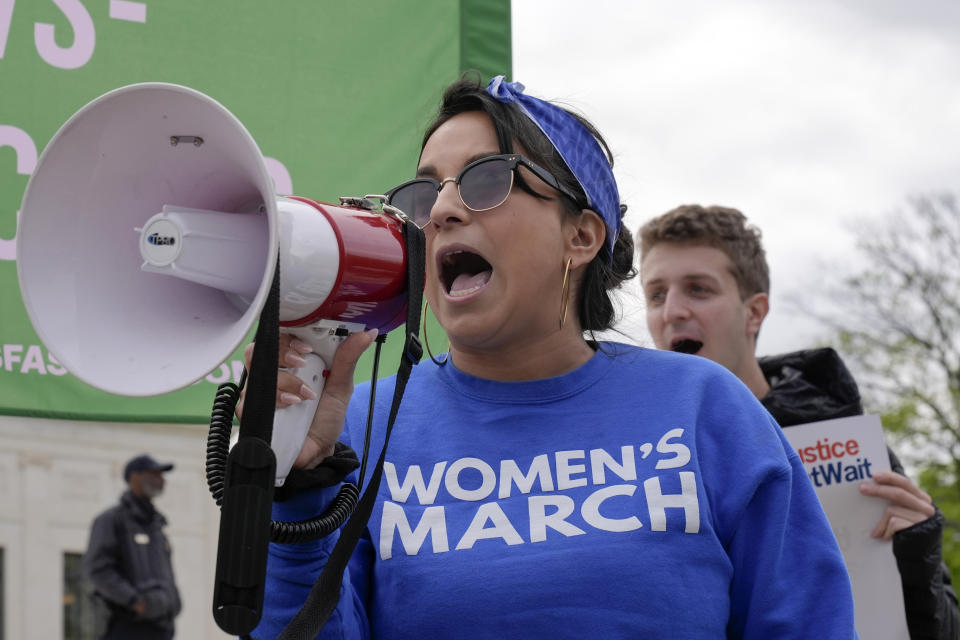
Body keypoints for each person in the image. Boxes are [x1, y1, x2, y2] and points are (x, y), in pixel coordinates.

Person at [246, 75, 857, 638]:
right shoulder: (360, 427)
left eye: (488, 179)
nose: (443, 211)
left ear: (582, 235)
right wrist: (296, 489)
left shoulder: (705, 406)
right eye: (424, 193)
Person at [638, 203, 959, 640]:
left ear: (754, 312)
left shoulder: (849, 445)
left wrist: (917, 558)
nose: (672, 311)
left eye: (698, 289)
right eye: (656, 294)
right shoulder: (635, 458)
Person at [83, 454, 181, 640]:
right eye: (154, 474)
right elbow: (98, 570)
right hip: (125, 627)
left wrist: (173, 603)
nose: (161, 480)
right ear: (134, 477)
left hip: (161, 628)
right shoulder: (112, 520)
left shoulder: (157, 526)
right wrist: (135, 601)